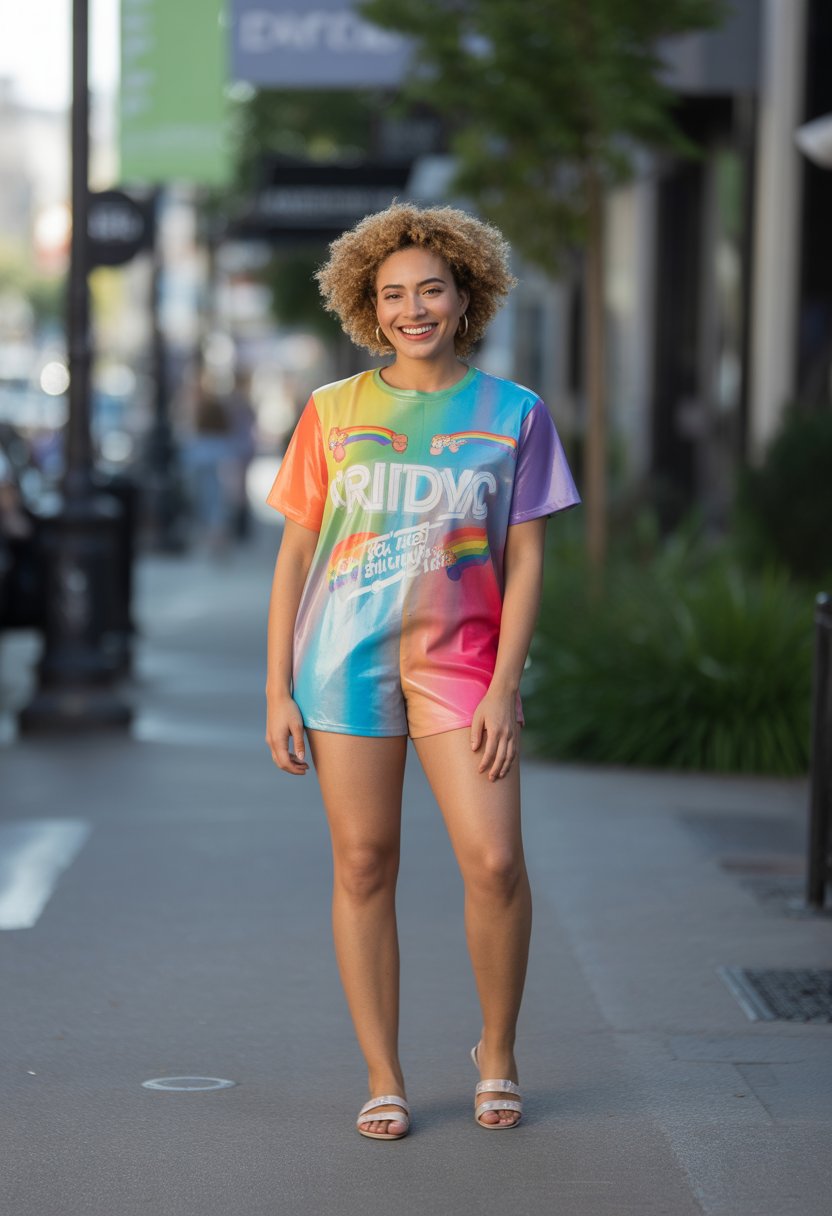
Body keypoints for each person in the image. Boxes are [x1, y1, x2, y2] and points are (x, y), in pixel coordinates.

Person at [264, 203, 580, 1140]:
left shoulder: (515, 414)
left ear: (464, 297)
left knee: (495, 861)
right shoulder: (332, 411)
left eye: (430, 290)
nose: (413, 309)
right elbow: (295, 554)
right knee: (364, 864)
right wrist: (277, 689)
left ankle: (498, 1050)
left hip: (466, 667)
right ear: (370, 308)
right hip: (342, 664)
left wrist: (505, 685)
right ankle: (384, 1074)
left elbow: (527, 560)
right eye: (394, 295)